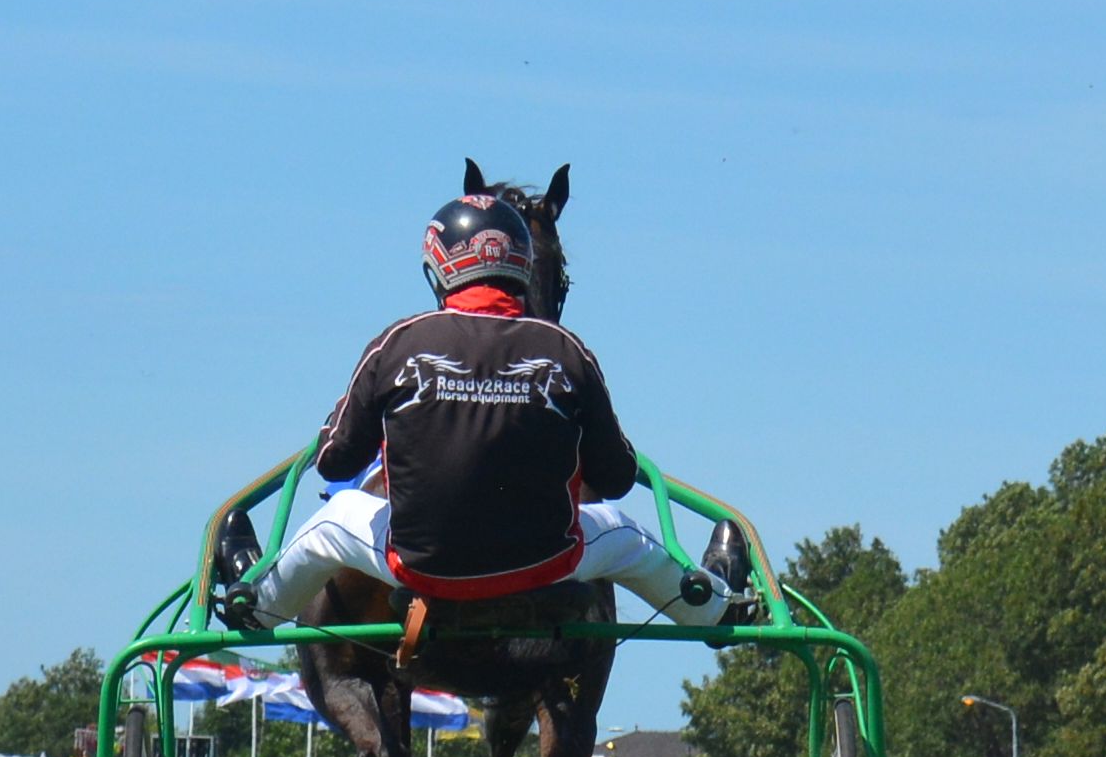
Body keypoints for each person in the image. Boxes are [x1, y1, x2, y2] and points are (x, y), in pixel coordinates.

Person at [226, 187, 753, 633]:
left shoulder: (396, 343)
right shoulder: (568, 350)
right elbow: (614, 480)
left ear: (438, 268)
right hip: (547, 564)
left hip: (417, 567)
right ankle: (713, 608)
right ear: (522, 263)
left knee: (331, 522)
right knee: (625, 535)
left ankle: (258, 608)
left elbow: (336, 463)